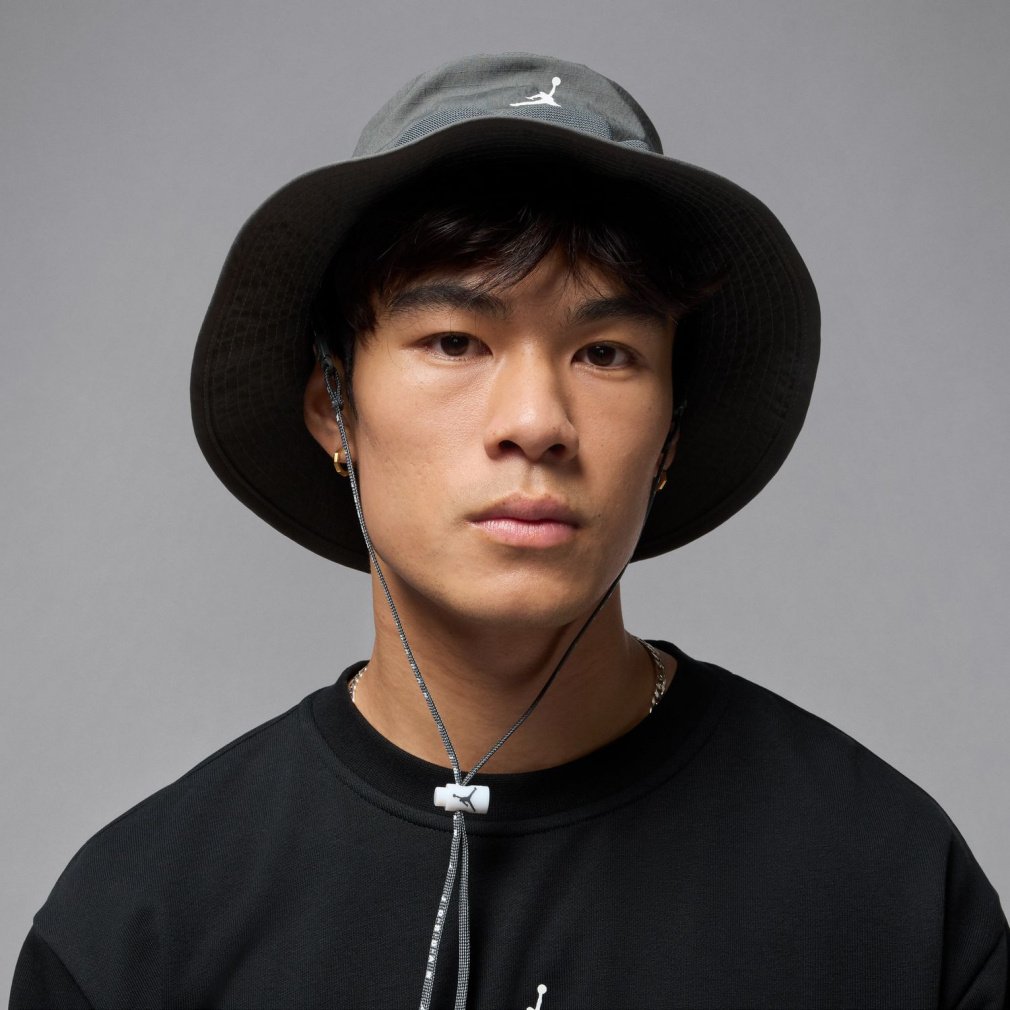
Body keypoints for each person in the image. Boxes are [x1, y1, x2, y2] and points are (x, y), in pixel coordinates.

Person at [9, 53, 1008, 1010]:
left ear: (670, 433)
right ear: (333, 408)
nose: (535, 421)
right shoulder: (138, 927)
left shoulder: (886, 886)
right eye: (455, 340)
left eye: (605, 352)